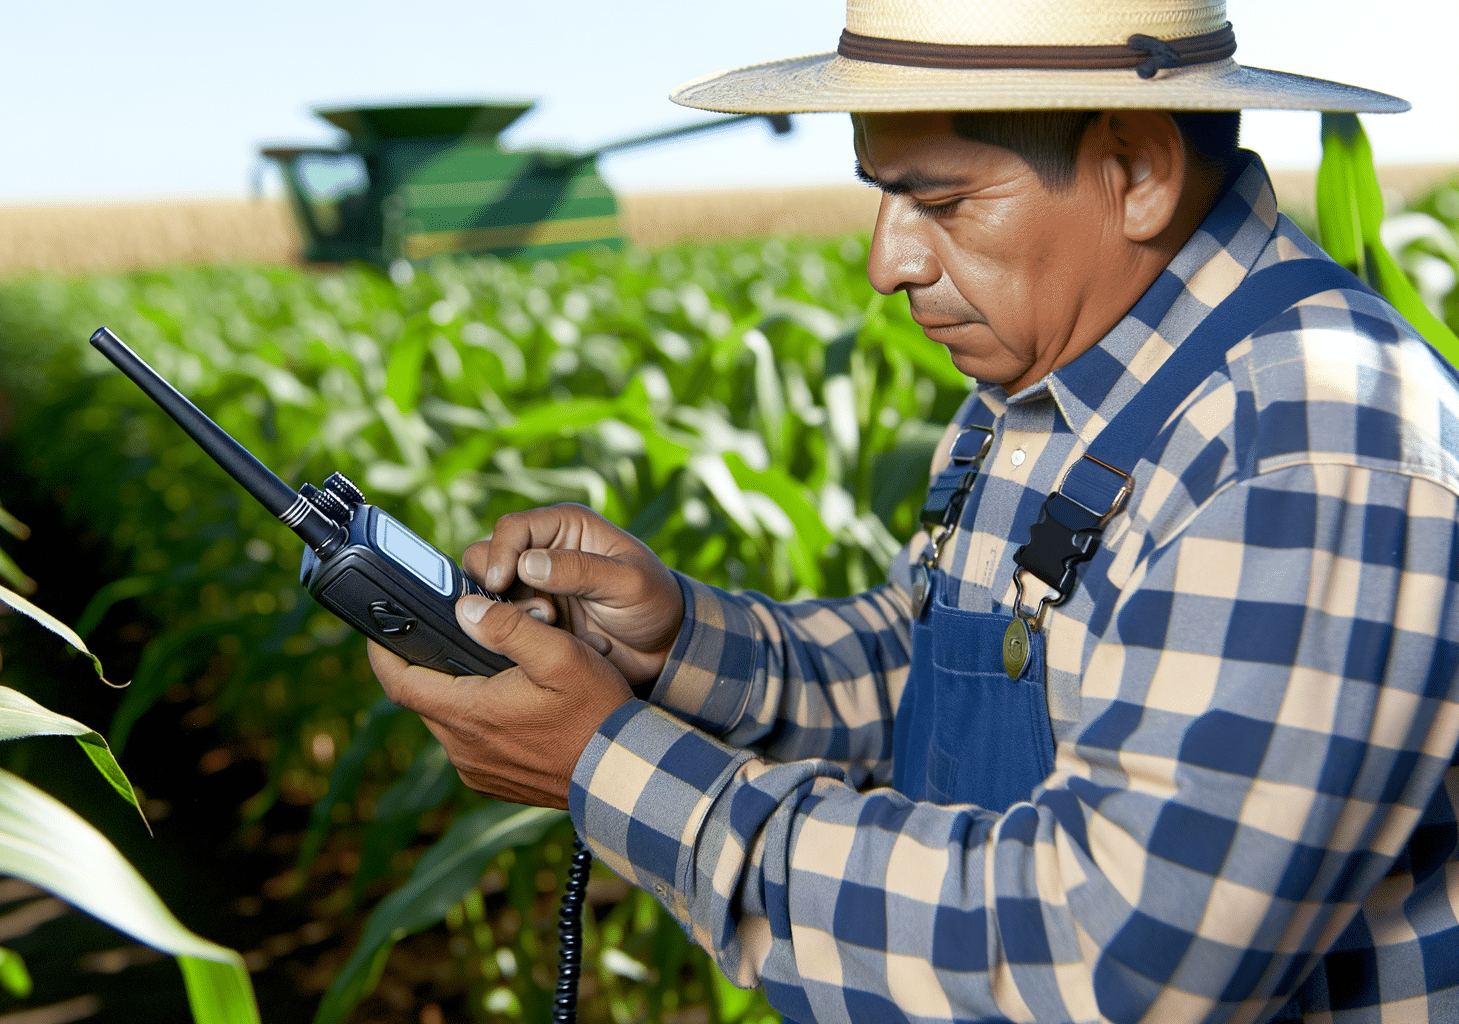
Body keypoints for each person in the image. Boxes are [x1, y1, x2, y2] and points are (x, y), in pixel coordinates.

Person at [369, 0, 1459, 1020]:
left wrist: (608, 765)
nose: (883, 262)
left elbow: (1116, 962)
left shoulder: (1311, 442)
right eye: (879, 192)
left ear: (1134, 170)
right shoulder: (1043, 387)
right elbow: (938, 665)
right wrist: (673, 640)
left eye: (939, 202)